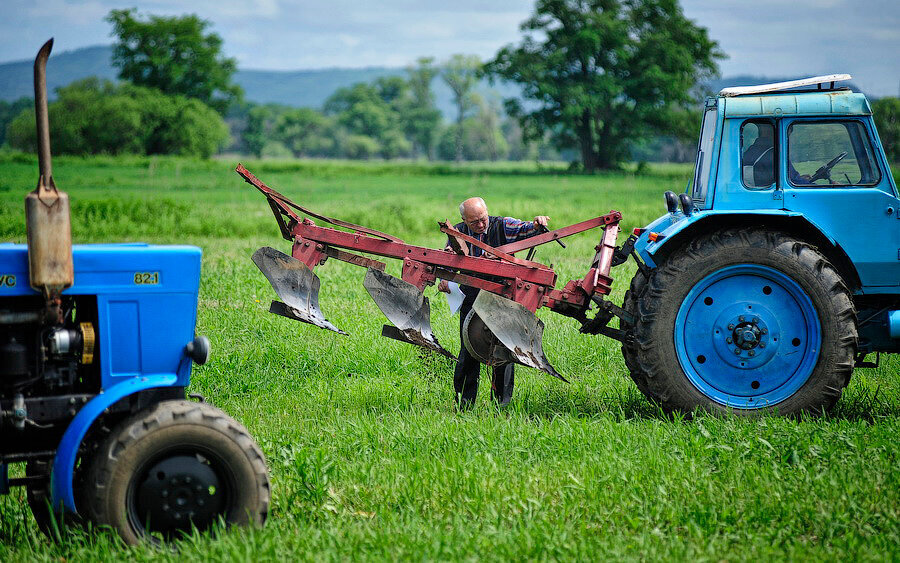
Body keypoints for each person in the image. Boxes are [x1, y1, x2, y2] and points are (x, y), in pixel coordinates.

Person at [437, 197, 549, 410]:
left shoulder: (502, 226)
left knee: (504, 352)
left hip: (503, 298)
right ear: (464, 220)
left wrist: (537, 223)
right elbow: (447, 262)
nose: (480, 225)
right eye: (474, 222)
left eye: (482, 219)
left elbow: (528, 229)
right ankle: (464, 404)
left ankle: (501, 406)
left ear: (487, 213)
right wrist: (445, 279)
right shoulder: (457, 234)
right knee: (469, 351)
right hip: (472, 299)